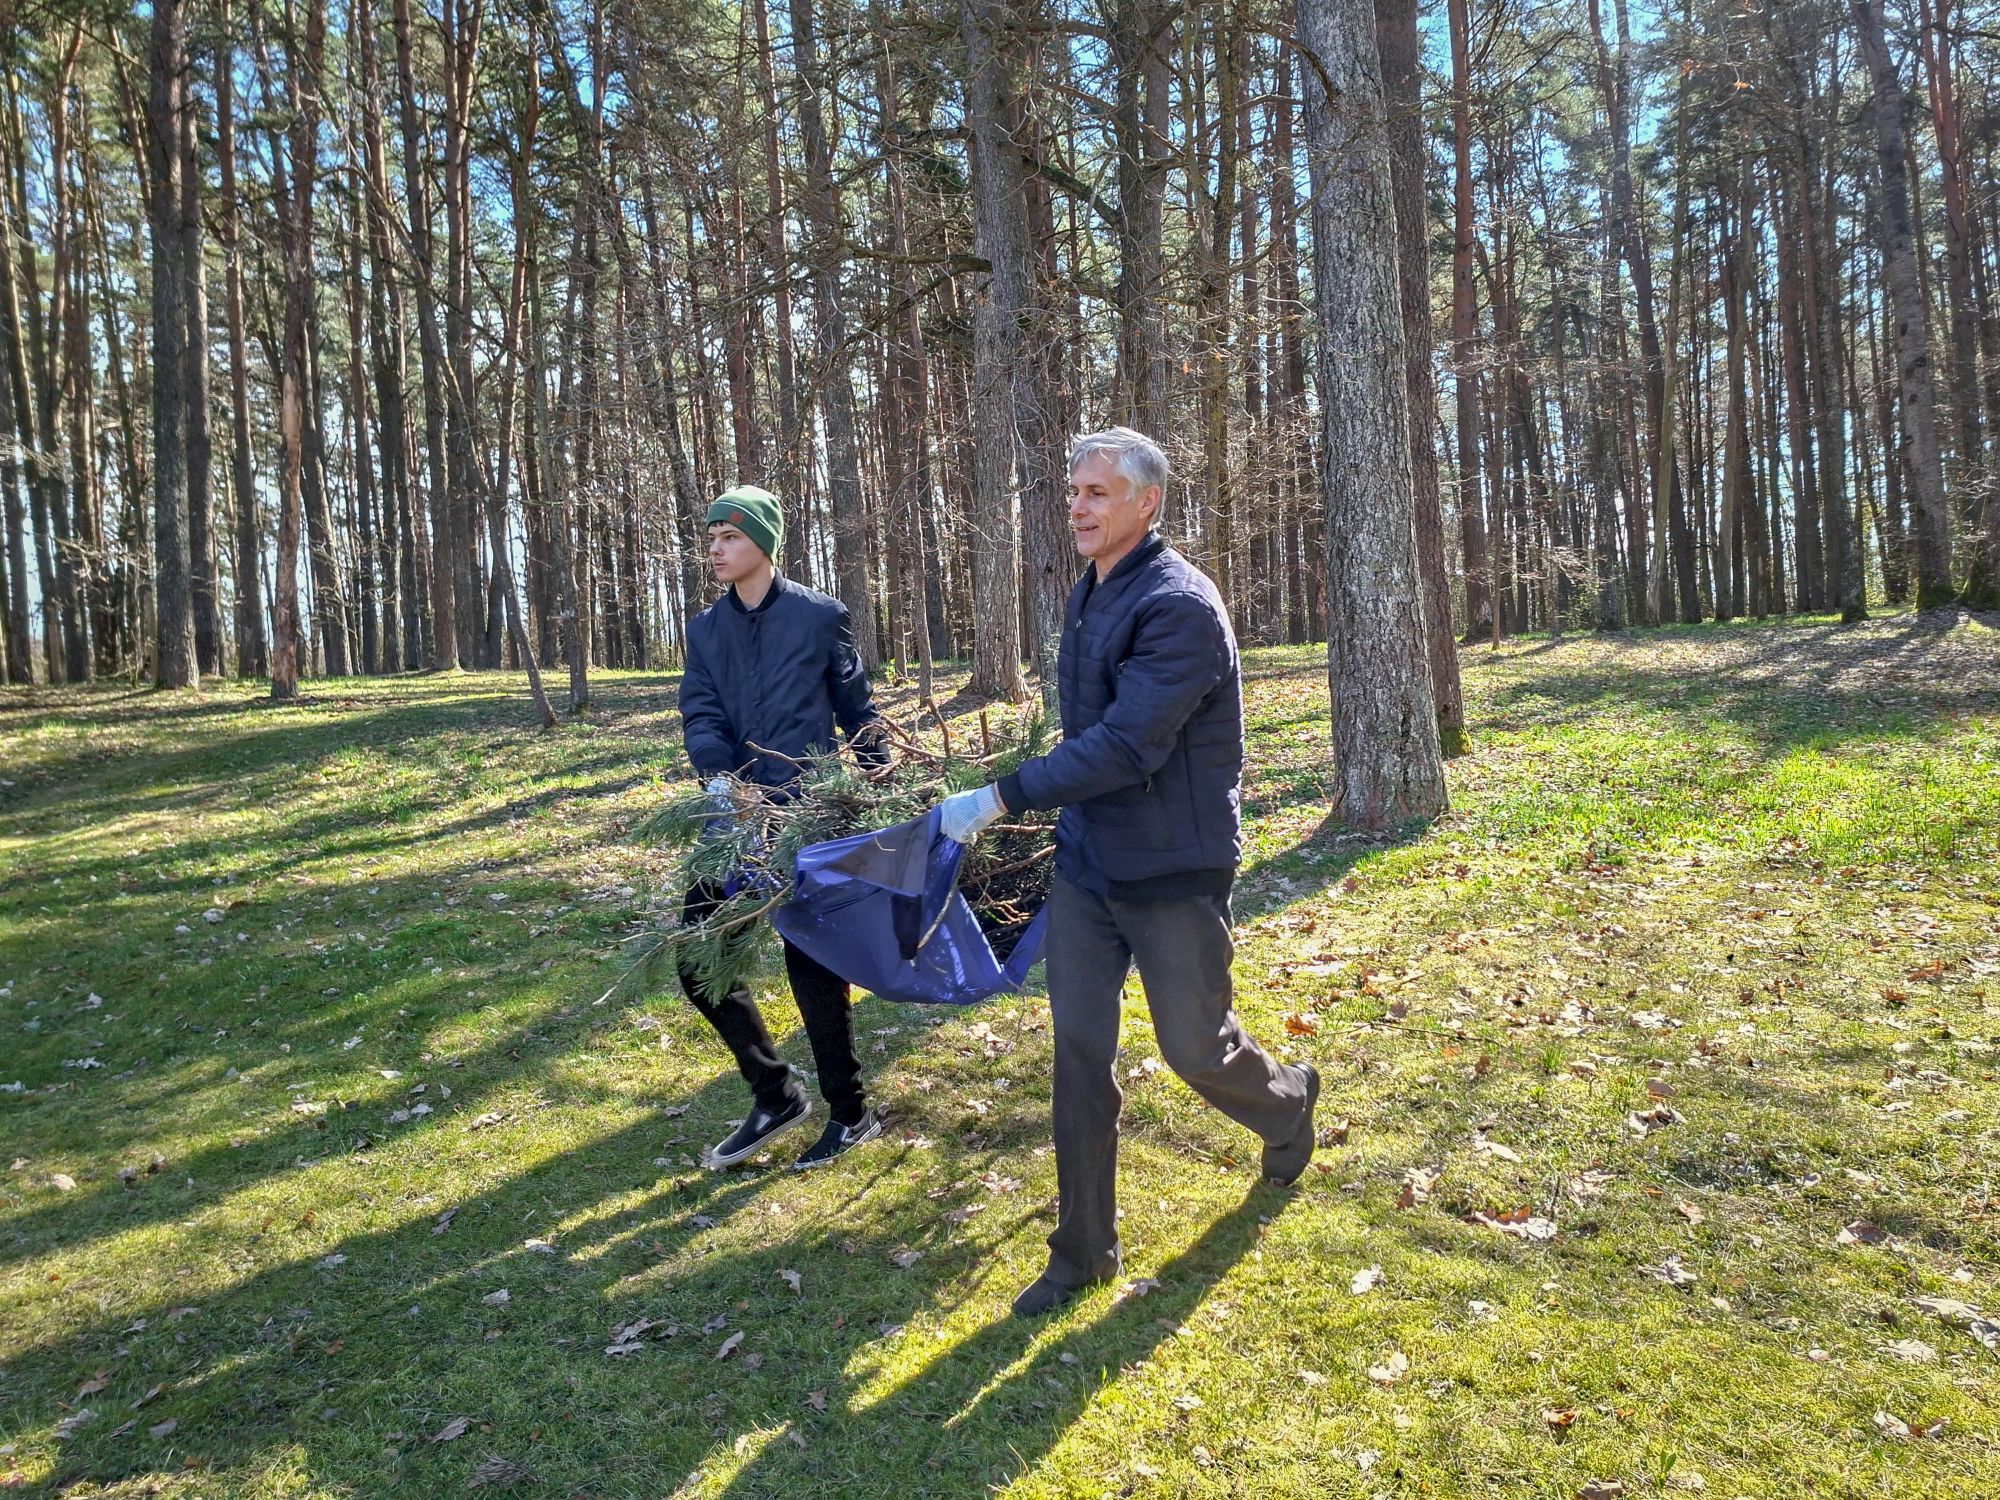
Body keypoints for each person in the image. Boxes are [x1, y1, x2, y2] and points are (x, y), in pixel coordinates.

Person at [937, 427, 1318, 1318]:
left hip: (1173, 867)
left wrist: (1001, 795)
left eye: (1097, 492)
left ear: (1147, 503)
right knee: (1079, 1054)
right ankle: (1081, 1254)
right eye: (1074, 491)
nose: (1076, 506)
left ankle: (1286, 1103)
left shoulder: (1179, 606)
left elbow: (1123, 746)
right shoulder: (1093, 588)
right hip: (1089, 866)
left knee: (1195, 1048)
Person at [677, 483, 890, 1170]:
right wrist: (720, 779)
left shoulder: (821, 617)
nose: (716, 549)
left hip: (809, 816)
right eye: (712, 537)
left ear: (764, 545)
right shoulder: (705, 630)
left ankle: (850, 1113)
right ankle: (775, 1094)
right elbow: (701, 712)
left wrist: (884, 786)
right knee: (697, 957)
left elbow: (858, 712)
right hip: (736, 818)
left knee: (813, 964)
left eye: (731, 537)